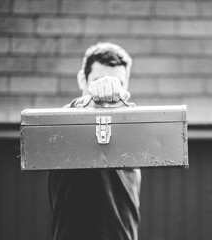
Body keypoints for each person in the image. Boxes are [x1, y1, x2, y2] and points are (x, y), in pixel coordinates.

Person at [48, 42, 141, 240]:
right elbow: (65, 117)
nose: (110, 91)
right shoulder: (65, 126)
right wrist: (90, 102)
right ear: (83, 79)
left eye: (118, 84)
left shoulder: (133, 134)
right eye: (99, 81)